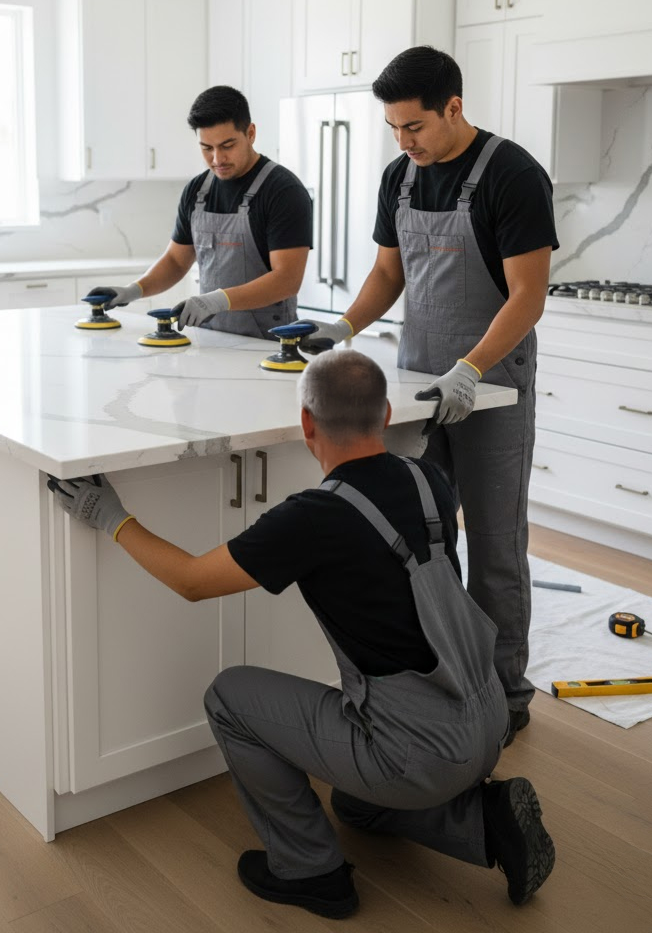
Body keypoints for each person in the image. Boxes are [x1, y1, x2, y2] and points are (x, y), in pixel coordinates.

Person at [46, 350, 555, 920]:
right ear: (386, 414)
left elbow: (191, 581)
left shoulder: (314, 517)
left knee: (229, 697)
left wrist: (108, 513)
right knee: (354, 804)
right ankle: (486, 823)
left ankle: (312, 871)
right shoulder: (427, 478)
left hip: (415, 748)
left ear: (307, 424)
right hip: (485, 723)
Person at [298, 46, 556, 742]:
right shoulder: (400, 178)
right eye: (393, 129)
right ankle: (441, 682)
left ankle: (505, 693)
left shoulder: (513, 175)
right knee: (419, 543)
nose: (404, 142)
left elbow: (528, 297)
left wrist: (470, 370)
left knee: (496, 546)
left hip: (490, 387)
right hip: (415, 389)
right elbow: (390, 275)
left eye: (414, 127)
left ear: (453, 108)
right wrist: (343, 327)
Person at [86, 85, 312, 339]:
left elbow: (287, 280)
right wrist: (133, 291)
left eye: (227, 145)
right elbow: (175, 260)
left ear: (250, 133)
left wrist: (216, 300)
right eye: (207, 148)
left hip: (266, 345)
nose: (217, 158)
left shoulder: (283, 191)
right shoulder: (197, 191)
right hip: (208, 339)